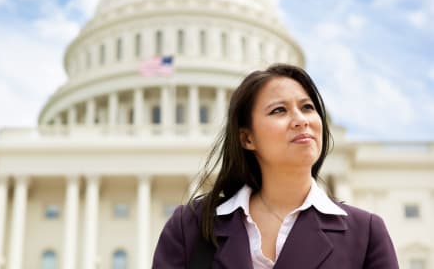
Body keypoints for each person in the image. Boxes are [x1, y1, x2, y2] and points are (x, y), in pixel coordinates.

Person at [152, 63, 399, 268]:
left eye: (307, 107)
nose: (301, 120)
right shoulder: (191, 228)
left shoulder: (365, 234)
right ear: (247, 138)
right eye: (279, 110)